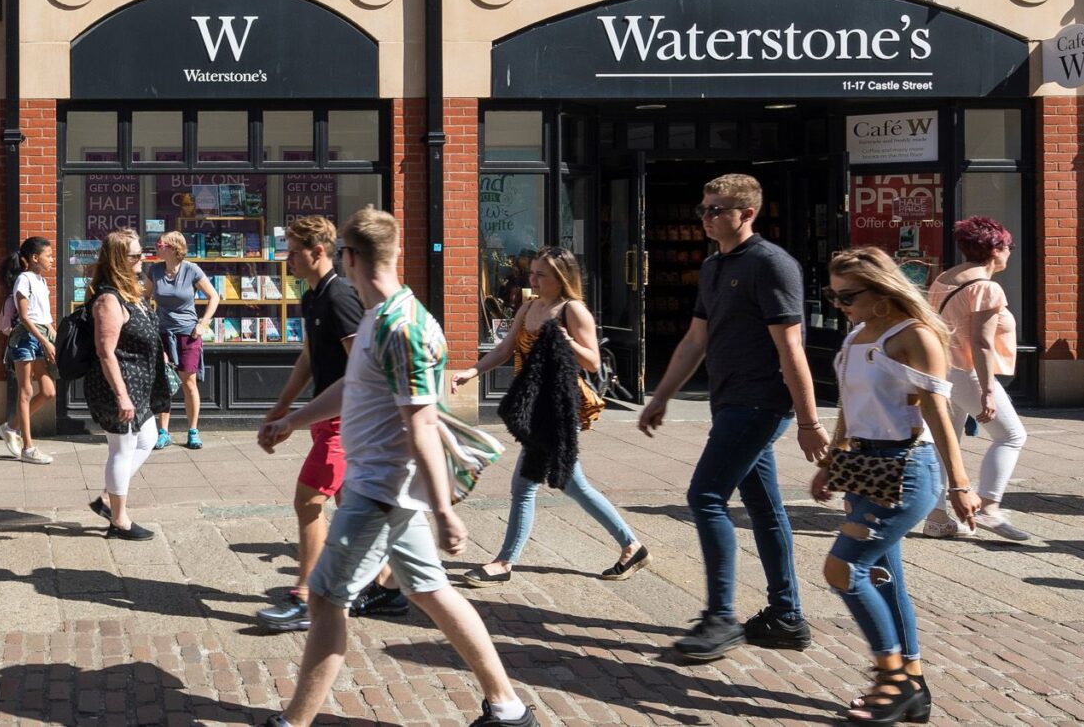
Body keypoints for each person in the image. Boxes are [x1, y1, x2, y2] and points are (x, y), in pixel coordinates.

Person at [254, 208, 537, 727]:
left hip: (379, 489)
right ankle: (508, 707)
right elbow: (352, 385)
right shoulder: (378, 315)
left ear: (349, 257)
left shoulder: (402, 327)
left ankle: (294, 721)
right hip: (384, 487)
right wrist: (293, 420)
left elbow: (422, 422)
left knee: (325, 599)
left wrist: (444, 510)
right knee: (430, 590)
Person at [638, 173, 829, 665]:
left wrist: (809, 422)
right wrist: (661, 396)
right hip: (730, 402)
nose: (705, 217)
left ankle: (720, 618)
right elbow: (694, 340)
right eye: (702, 209)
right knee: (764, 507)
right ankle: (786, 617)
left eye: (716, 210)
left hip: (759, 403)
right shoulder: (713, 266)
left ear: (747, 214)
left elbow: (792, 348)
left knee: (705, 496)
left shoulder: (771, 264)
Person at [811, 247, 983, 724]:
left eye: (848, 296)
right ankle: (914, 684)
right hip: (861, 466)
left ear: (882, 292)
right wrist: (832, 461)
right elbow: (850, 404)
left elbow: (937, 413)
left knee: (843, 569)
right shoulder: (856, 336)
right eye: (833, 295)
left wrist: (959, 485)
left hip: (905, 468)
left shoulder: (915, 336)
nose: (839, 305)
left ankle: (892, 679)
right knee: (883, 577)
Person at [453, 247, 644, 583]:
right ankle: (632, 546)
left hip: (559, 409)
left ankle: (504, 563)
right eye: (533, 272)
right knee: (571, 485)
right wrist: (473, 371)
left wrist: (568, 341)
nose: (533, 279)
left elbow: (593, 362)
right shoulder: (529, 306)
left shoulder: (573, 310)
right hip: (534, 408)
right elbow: (505, 349)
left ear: (561, 277)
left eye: (540, 274)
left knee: (527, 486)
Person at [257, 214, 393, 632]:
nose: (287, 260)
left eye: (293, 253)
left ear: (318, 252)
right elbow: (310, 356)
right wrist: (281, 407)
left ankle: (305, 597)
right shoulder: (313, 296)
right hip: (326, 417)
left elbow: (360, 372)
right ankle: (388, 586)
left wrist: (293, 419)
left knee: (308, 501)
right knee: (352, 503)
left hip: (344, 422)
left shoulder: (339, 298)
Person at [924, 217, 1029, 542]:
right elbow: (981, 343)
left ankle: (936, 518)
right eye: (1009, 246)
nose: (1010, 252)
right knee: (1011, 436)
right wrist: (987, 391)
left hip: (941, 369)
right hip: (965, 371)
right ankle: (989, 507)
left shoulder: (945, 278)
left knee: (946, 443)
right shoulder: (986, 287)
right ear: (995, 249)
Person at [85, 228, 171, 540]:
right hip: (117, 386)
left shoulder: (129, 292)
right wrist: (122, 396)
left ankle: (107, 498)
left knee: (148, 437)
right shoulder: (108, 299)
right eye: (136, 255)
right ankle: (119, 520)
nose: (142, 259)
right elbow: (105, 351)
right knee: (122, 448)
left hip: (138, 384)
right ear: (119, 260)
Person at [149, 231, 218, 449]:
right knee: (164, 382)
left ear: (172, 248)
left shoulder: (191, 270)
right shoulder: (155, 270)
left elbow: (214, 296)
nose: (156, 247)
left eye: (160, 244)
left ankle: (193, 431)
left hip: (188, 334)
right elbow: (143, 296)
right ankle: (163, 432)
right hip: (162, 333)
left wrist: (203, 323)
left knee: (189, 383)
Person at [0, 236, 59, 465]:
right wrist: (45, 341)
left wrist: (54, 338)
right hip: (25, 338)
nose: (52, 259)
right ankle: (28, 448)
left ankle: (10, 427)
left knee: (48, 391)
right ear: (34, 258)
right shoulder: (24, 280)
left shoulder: (41, 281)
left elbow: (45, 318)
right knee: (26, 391)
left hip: (40, 337)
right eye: (48, 255)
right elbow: (24, 318)